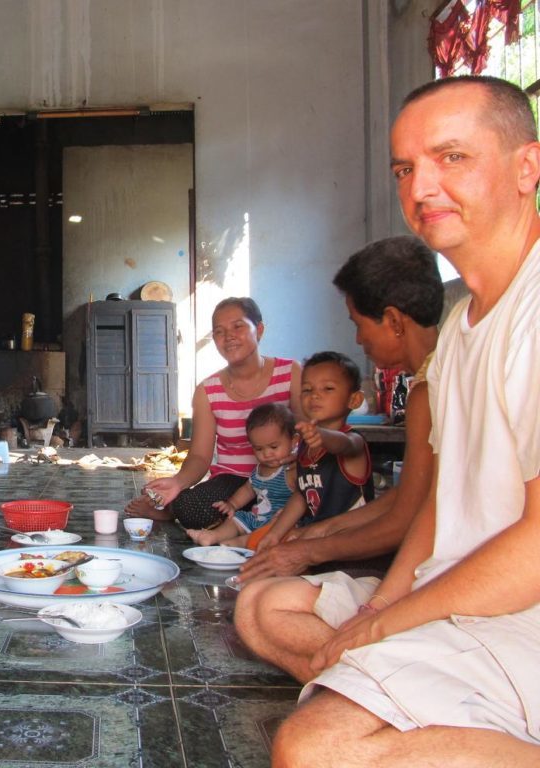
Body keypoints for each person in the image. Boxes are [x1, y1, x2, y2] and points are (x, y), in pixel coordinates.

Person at [273, 76, 540, 766]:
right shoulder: (459, 330)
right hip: (454, 603)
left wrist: (384, 624)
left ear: (527, 167)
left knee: (314, 748)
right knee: (268, 613)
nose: (421, 188)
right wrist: (380, 608)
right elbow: (438, 507)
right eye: (404, 169)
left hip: (517, 619)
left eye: (452, 157)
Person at [233, 236, 441, 678]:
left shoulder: (432, 389)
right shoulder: (431, 378)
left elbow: (407, 518)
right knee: (251, 610)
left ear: (393, 321)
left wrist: (314, 554)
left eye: (358, 324)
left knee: (261, 608)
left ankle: (388, 686)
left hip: (434, 575)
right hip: (411, 563)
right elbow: (412, 497)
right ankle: (367, 686)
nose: (358, 339)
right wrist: (316, 532)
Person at [128, 297, 304, 530]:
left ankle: (246, 521)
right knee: (190, 508)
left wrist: (300, 463)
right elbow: (200, 457)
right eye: (219, 332)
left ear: (259, 329)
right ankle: (247, 518)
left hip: (285, 475)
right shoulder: (208, 390)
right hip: (234, 480)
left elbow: (307, 431)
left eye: (238, 326)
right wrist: (177, 482)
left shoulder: (291, 373)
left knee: (314, 494)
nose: (228, 336)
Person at [254, 351, 373, 552]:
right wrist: (274, 534)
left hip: (354, 546)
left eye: (328, 388)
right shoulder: (305, 445)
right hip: (318, 542)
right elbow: (302, 495)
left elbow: (344, 444)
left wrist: (322, 436)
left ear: (354, 400)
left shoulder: (354, 441)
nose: (315, 395)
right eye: (307, 389)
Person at [186, 402, 297, 548]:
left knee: (278, 531)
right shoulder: (259, 469)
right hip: (257, 518)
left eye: (274, 447)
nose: (267, 454)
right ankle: (212, 536)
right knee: (236, 519)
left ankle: (234, 544)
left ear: (294, 441)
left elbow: (304, 497)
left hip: (280, 524)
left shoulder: (291, 470)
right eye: (259, 449)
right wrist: (232, 504)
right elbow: (248, 489)